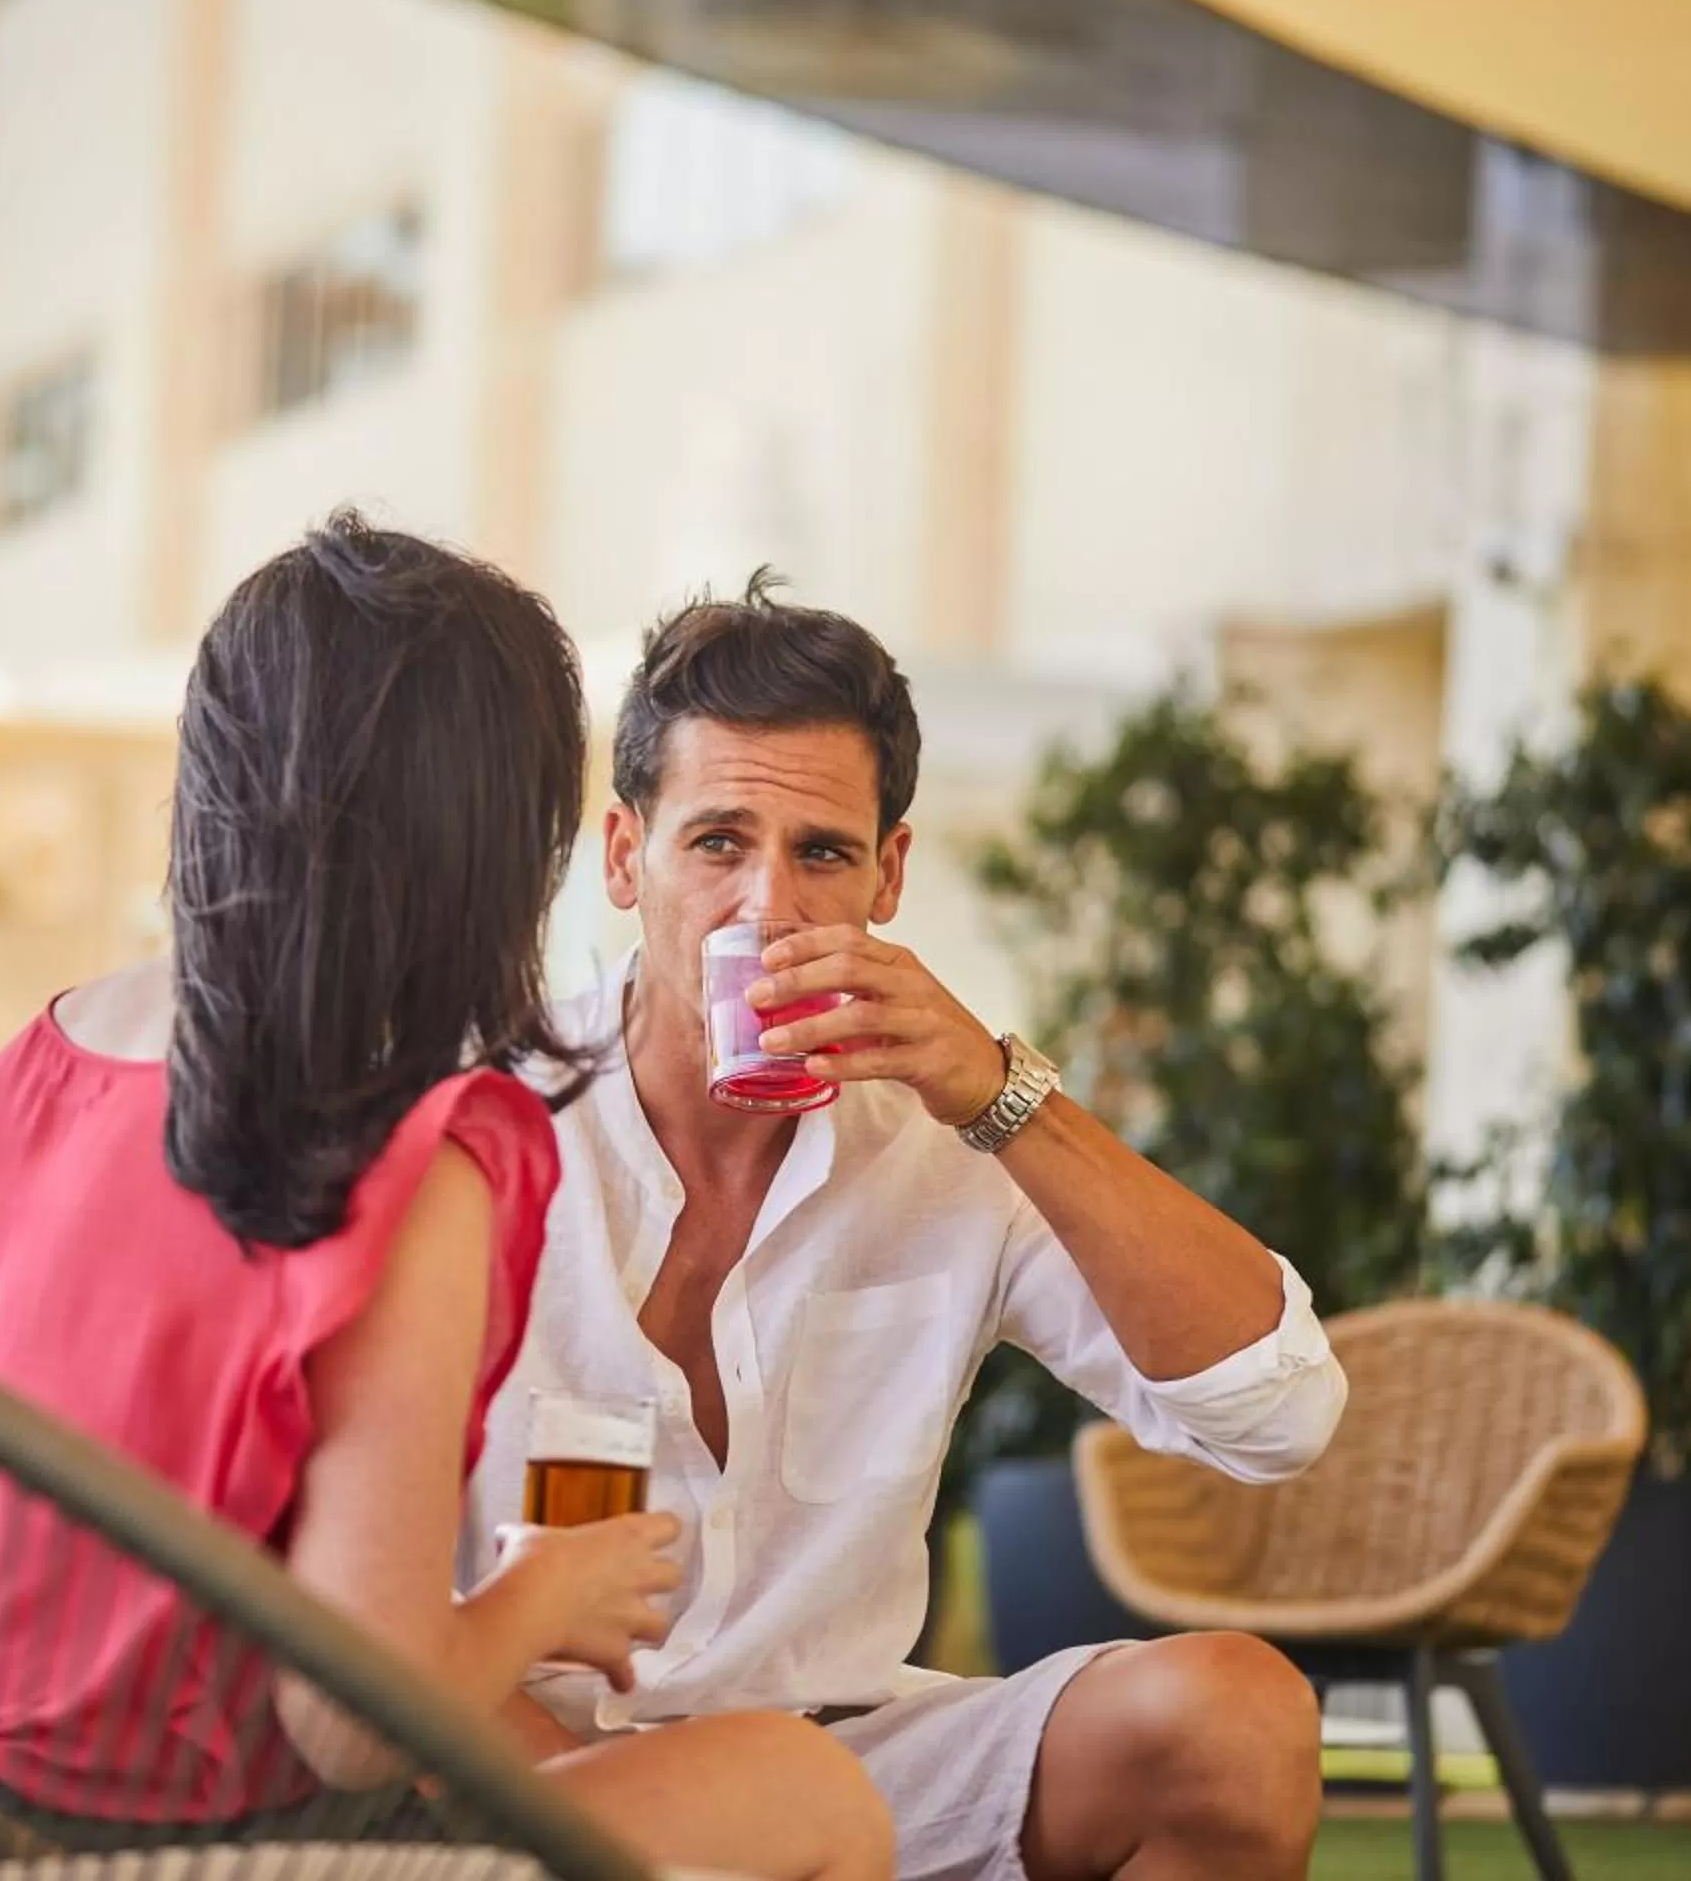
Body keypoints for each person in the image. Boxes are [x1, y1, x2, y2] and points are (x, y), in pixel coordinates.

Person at [0, 517, 890, 1878]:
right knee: (807, 1793)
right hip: (177, 1853)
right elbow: (350, 1719)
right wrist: (548, 1592)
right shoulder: (406, 1155)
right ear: (490, 843)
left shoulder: (5, 1088)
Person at [458, 575, 1350, 1881]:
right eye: (717, 843)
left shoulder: (954, 1133)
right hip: (515, 1760)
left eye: (820, 852)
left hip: (840, 1758)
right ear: (619, 858)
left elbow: (1280, 1417)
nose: (768, 907)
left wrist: (1007, 1096)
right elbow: (349, 1595)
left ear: (889, 872)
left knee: (1236, 1723)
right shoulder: (475, 1128)